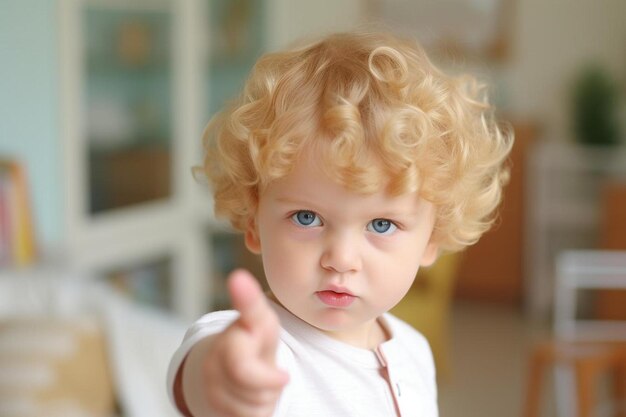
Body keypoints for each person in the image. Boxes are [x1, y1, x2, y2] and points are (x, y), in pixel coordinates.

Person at [166, 30, 513, 417]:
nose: (341, 259)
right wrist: (225, 379)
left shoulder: (414, 351)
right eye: (307, 218)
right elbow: (204, 378)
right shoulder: (252, 345)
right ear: (253, 220)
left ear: (433, 237)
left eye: (381, 225)